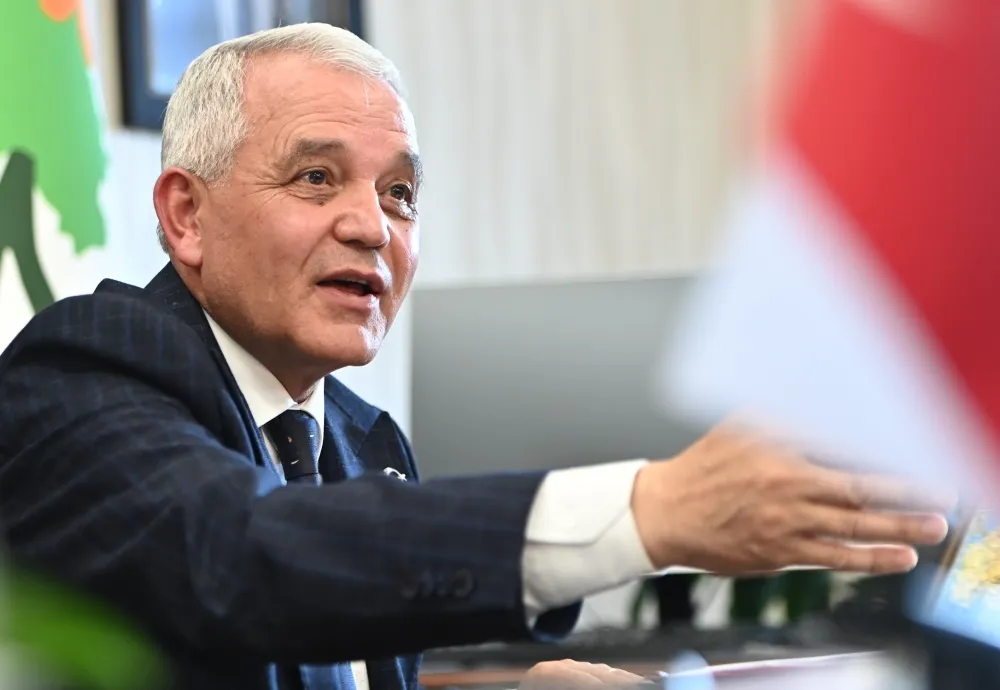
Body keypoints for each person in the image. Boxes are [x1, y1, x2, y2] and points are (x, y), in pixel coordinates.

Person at [0, 23, 950, 690]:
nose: (373, 226)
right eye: (317, 177)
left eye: (402, 195)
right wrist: (651, 509)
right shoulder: (85, 370)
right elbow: (245, 557)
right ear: (186, 215)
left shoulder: (363, 439)